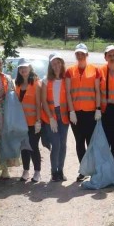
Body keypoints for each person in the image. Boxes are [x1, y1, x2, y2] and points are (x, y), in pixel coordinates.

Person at [65, 43, 102, 182]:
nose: (80, 56)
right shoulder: (70, 71)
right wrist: (71, 111)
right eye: (78, 54)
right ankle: (83, 169)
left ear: (87, 55)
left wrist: (98, 109)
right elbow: (68, 93)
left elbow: (97, 91)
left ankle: (93, 169)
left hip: (91, 112)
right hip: (76, 114)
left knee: (91, 143)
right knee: (79, 142)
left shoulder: (95, 70)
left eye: (82, 54)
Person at [41, 52, 70, 182]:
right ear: (50, 66)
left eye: (58, 62)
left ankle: (60, 171)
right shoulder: (46, 81)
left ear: (62, 64)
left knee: (63, 144)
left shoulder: (66, 80)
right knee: (56, 144)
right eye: (54, 64)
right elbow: (44, 101)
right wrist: (51, 118)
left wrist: (73, 112)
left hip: (63, 116)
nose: (56, 65)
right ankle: (54, 172)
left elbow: (69, 96)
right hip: (51, 116)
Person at [15, 59, 42, 182]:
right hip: (21, 122)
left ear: (30, 68)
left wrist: (38, 121)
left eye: (25, 67)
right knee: (24, 147)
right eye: (20, 68)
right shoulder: (18, 85)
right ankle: (26, 171)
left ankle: (37, 172)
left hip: (33, 122)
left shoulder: (36, 83)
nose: (23, 70)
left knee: (33, 146)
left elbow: (38, 104)